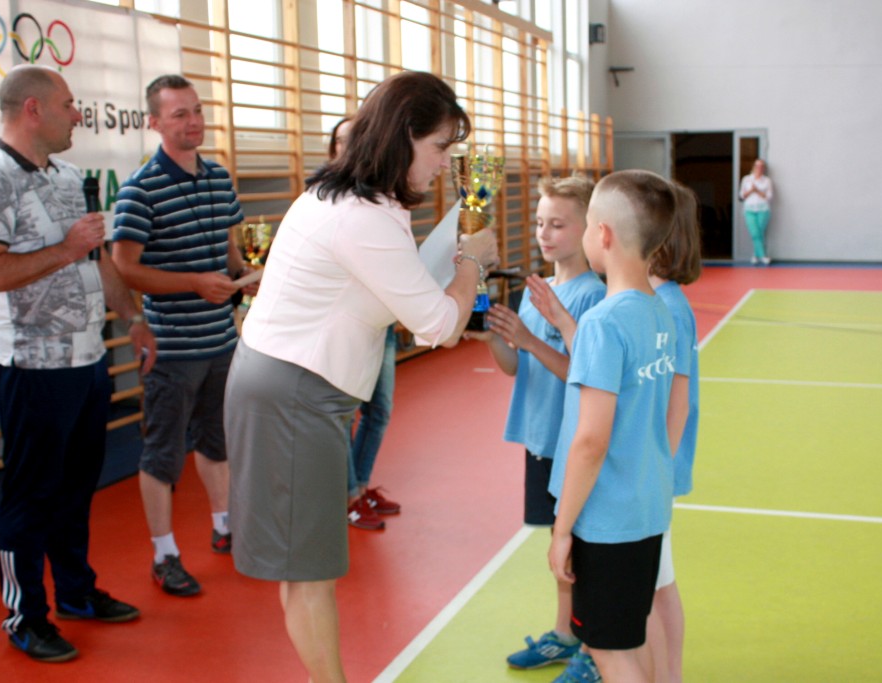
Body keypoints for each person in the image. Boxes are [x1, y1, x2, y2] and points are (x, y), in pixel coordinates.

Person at [223, 71, 499, 683]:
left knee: (309, 566)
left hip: (296, 387)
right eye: (440, 147)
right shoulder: (361, 216)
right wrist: (472, 264)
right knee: (309, 572)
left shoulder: (360, 201)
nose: (445, 163)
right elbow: (437, 325)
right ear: (403, 137)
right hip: (293, 393)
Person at [0, 65, 157, 662]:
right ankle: (25, 617)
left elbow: (97, 260)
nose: (78, 114)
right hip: (30, 366)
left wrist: (130, 318)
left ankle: (76, 592)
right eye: (69, 104)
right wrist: (65, 248)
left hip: (86, 358)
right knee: (31, 495)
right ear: (33, 109)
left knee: (75, 489)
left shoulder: (70, 176)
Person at [111, 74, 252, 597]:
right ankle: (164, 554)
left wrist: (246, 277)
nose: (193, 121)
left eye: (196, 110)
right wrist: (193, 283)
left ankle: (224, 525)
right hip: (171, 350)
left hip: (221, 343)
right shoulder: (139, 189)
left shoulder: (218, 178)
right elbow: (125, 268)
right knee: (162, 455)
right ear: (154, 123)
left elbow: (229, 251)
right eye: (179, 114)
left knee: (218, 440)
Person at [466, 175, 605, 677]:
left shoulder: (593, 297)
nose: (544, 233)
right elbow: (514, 367)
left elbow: (583, 374)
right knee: (558, 546)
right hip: (541, 440)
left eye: (558, 224)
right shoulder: (537, 290)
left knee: (583, 552)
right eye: (540, 222)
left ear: (589, 229)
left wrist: (528, 338)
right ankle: (566, 634)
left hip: (572, 444)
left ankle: (595, 650)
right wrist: (495, 339)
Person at [543, 169, 678, 682]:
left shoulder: (602, 322)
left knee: (608, 652)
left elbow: (591, 440)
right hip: (646, 509)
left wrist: (561, 530)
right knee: (626, 642)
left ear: (601, 234)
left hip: (606, 521)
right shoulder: (659, 311)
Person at [324, 117, 403, 532]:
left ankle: (361, 485)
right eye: (341, 140)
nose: (349, 146)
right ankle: (348, 496)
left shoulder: (383, 200)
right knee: (345, 414)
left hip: (381, 323)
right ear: (333, 149)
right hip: (348, 328)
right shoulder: (325, 201)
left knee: (380, 410)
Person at [645, 183, 703, 683]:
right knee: (657, 581)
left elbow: (675, 405)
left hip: (654, 472)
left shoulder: (668, 309)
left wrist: (655, 469)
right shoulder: (661, 303)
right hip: (654, 469)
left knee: (657, 585)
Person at [738, 158, 773, 265]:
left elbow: (769, 196)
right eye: (757, 166)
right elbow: (742, 195)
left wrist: (757, 190)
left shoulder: (766, 181)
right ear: (753, 167)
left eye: (761, 166)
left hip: (763, 210)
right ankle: (762, 255)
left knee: (759, 233)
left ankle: (756, 255)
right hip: (749, 209)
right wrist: (751, 190)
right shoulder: (746, 179)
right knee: (754, 233)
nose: (759, 168)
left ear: (764, 168)